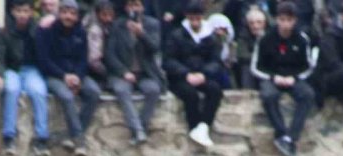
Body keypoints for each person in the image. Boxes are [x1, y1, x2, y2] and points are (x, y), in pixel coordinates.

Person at [250, 1, 316, 156]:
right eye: (282, 19)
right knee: (269, 96)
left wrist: (295, 78)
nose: (285, 24)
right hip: (272, 77)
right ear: (277, 19)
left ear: (295, 21)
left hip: (294, 78)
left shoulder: (302, 39)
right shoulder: (265, 39)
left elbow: (309, 66)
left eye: (289, 20)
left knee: (307, 95)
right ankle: (281, 133)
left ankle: (291, 137)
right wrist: (274, 77)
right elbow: (256, 67)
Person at [37, 0, 101, 156]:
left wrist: (77, 77)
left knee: (93, 92)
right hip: (54, 75)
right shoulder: (47, 31)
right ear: (59, 13)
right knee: (66, 96)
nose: (68, 17)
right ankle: (79, 140)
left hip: (75, 75)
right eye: (65, 12)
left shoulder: (80, 33)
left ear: (77, 16)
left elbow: (83, 60)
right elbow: (44, 60)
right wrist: (64, 76)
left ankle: (70, 135)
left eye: (72, 13)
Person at [0, 0, 50, 155]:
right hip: (12, 69)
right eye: (19, 11)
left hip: (31, 69)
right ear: (13, 12)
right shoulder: (4, 31)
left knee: (39, 91)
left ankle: (41, 138)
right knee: (11, 89)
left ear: (31, 12)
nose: (22, 15)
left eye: (26, 11)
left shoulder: (38, 30)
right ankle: (9, 137)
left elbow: (45, 53)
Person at [164, 0, 225, 146]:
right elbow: (169, 60)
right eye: (192, 19)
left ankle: (204, 126)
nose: (195, 22)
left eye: (198, 18)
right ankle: (195, 126)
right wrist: (185, 74)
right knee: (190, 95)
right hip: (181, 77)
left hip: (201, 75)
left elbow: (216, 61)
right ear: (187, 17)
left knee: (215, 90)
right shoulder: (177, 35)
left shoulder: (210, 37)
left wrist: (204, 74)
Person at [105, 0, 164, 144]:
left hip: (145, 73)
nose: (134, 9)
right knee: (121, 90)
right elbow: (109, 54)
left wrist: (141, 34)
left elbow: (155, 48)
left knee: (153, 90)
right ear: (126, 8)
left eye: (136, 5)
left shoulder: (152, 24)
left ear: (142, 7)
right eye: (131, 5)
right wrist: (123, 72)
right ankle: (138, 131)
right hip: (123, 73)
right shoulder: (118, 25)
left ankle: (141, 127)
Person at [234, 6, 268, 88]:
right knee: (246, 67)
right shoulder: (243, 35)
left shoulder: (272, 35)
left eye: (259, 22)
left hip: (267, 66)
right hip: (250, 65)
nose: (255, 26)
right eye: (251, 23)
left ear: (264, 23)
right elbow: (242, 55)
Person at [86, 0, 115, 82]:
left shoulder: (109, 27)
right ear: (97, 14)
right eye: (104, 15)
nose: (108, 18)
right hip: (93, 66)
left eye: (110, 15)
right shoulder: (94, 30)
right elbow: (93, 59)